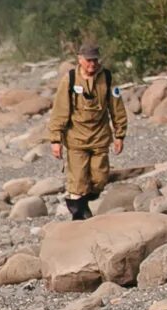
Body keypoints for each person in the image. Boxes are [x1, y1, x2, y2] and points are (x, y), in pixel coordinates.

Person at [44, 42, 127, 218]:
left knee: (99, 178)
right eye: (88, 60)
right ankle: (78, 214)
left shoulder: (108, 78)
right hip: (76, 139)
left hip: (100, 137)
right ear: (80, 59)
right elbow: (60, 110)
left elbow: (117, 108)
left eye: (95, 60)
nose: (92, 64)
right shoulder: (70, 79)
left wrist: (120, 135)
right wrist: (55, 140)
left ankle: (85, 203)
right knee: (78, 180)